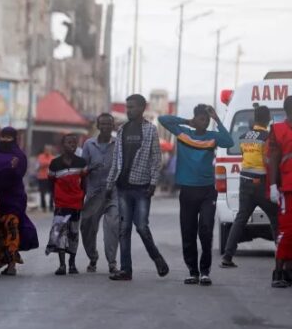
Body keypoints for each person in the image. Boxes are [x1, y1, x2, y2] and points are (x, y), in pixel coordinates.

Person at [159, 105, 234, 286]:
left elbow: (229, 141)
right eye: (202, 119)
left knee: (206, 231)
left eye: (207, 120)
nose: (205, 122)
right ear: (195, 119)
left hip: (208, 190)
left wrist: (217, 119)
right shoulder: (183, 133)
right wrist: (186, 121)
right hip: (188, 191)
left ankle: (205, 272)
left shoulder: (213, 137)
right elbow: (163, 119)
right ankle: (192, 271)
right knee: (188, 232)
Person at [107, 94, 169, 281]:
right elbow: (116, 161)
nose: (129, 110)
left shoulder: (150, 130)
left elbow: (156, 159)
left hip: (141, 187)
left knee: (141, 227)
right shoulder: (122, 130)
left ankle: (157, 258)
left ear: (142, 108)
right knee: (124, 229)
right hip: (123, 187)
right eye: (127, 107)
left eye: (132, 107)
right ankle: (126, 270)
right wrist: (109, 185)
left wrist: (152, 183)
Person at [221, 105, 278, 268]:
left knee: (240, 219)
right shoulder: (267, 137)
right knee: (276, 219)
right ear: (267, 119)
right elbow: (268, 160)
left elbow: (245, 155)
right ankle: (283, 257)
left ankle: (227, 257)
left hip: (244, 181)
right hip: (261, 183)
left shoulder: (244, 136)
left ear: (255, 118)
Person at [0, 127, 38, 275]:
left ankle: (12, 265)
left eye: (9, 137)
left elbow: (17, 174)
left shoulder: (19, 155)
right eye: (3, 136)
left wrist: (6, 172)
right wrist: (6, 169)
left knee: (11, 229)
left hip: (13, 198)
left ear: (14, 138)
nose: (5, 140)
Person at [81, 113, 119, 274]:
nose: (105, 127)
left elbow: (122, 167)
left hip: (113, 193)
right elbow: (81, 169)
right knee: (87, 228)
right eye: (102, 124)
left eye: (109, 124)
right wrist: (89, 169)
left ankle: (112, 262)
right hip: (94, 193)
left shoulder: (118, 144)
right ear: (97, 126)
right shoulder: (89, 144)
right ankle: (92, 258)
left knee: (112, 226)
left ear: (113, 126)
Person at [46, 134, 87, 275]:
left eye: (74, 143)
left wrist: (82, 198)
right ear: (63, 145)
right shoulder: (55, 163)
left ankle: (72, 263)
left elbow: (84, 183)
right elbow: (51, 182)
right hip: (61, 204)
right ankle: (62, 265)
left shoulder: (81, 162)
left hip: (76, 203)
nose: (72, 145)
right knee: (60, 234)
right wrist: (54, 199)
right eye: (69, 142)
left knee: (74, 234)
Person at [268, 95, 292, 288]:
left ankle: (288, 271)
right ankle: (278, 272)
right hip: (287, 189)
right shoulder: (278, 130)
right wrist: (273, 186)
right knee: (286, 231)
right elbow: (274, 160)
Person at [36, 145, 55, 212]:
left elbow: (53, 165)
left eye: (49, 150)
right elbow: (40, 164)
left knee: (52, 193)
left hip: (50, 177)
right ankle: (43, 207)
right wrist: (48, 164)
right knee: (42, 193)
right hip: (42, 177)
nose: (47, 151)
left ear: (51, 150)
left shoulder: (53, 157)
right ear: (44, 150)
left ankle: (51, 207)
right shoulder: (40, 156)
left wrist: (45, 164)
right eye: (46, 149)